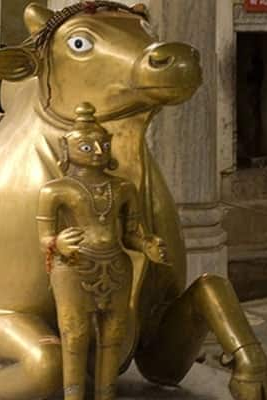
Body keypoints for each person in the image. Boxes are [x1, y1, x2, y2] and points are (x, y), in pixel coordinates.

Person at [36, 102, 168, 400]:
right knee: (75, 333)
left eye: (103, 144)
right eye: (86, 145)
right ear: (66, 149)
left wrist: (147, 245)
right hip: (73, 265)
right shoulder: (55, 191)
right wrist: (58, 244)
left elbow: (132, 234)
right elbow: (44, 238)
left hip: (117, 265)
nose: (96, 151)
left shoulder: (123, 188)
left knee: (113, 334)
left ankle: (106, 393)